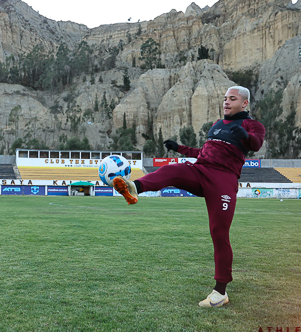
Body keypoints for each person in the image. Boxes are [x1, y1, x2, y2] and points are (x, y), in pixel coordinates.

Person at [113, 86, 265, 308]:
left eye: (232, 99)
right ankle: (134, 187)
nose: (226, 102)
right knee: (172, 169)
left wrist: (245, 136)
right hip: (201, 170)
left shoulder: (252, 125)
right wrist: (179, 148)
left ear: (244, 103)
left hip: (223, 179)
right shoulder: (216, 125)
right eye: (224, 98)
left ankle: (220, 292)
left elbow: (256, 143)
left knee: (219, 233)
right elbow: (203, 153)